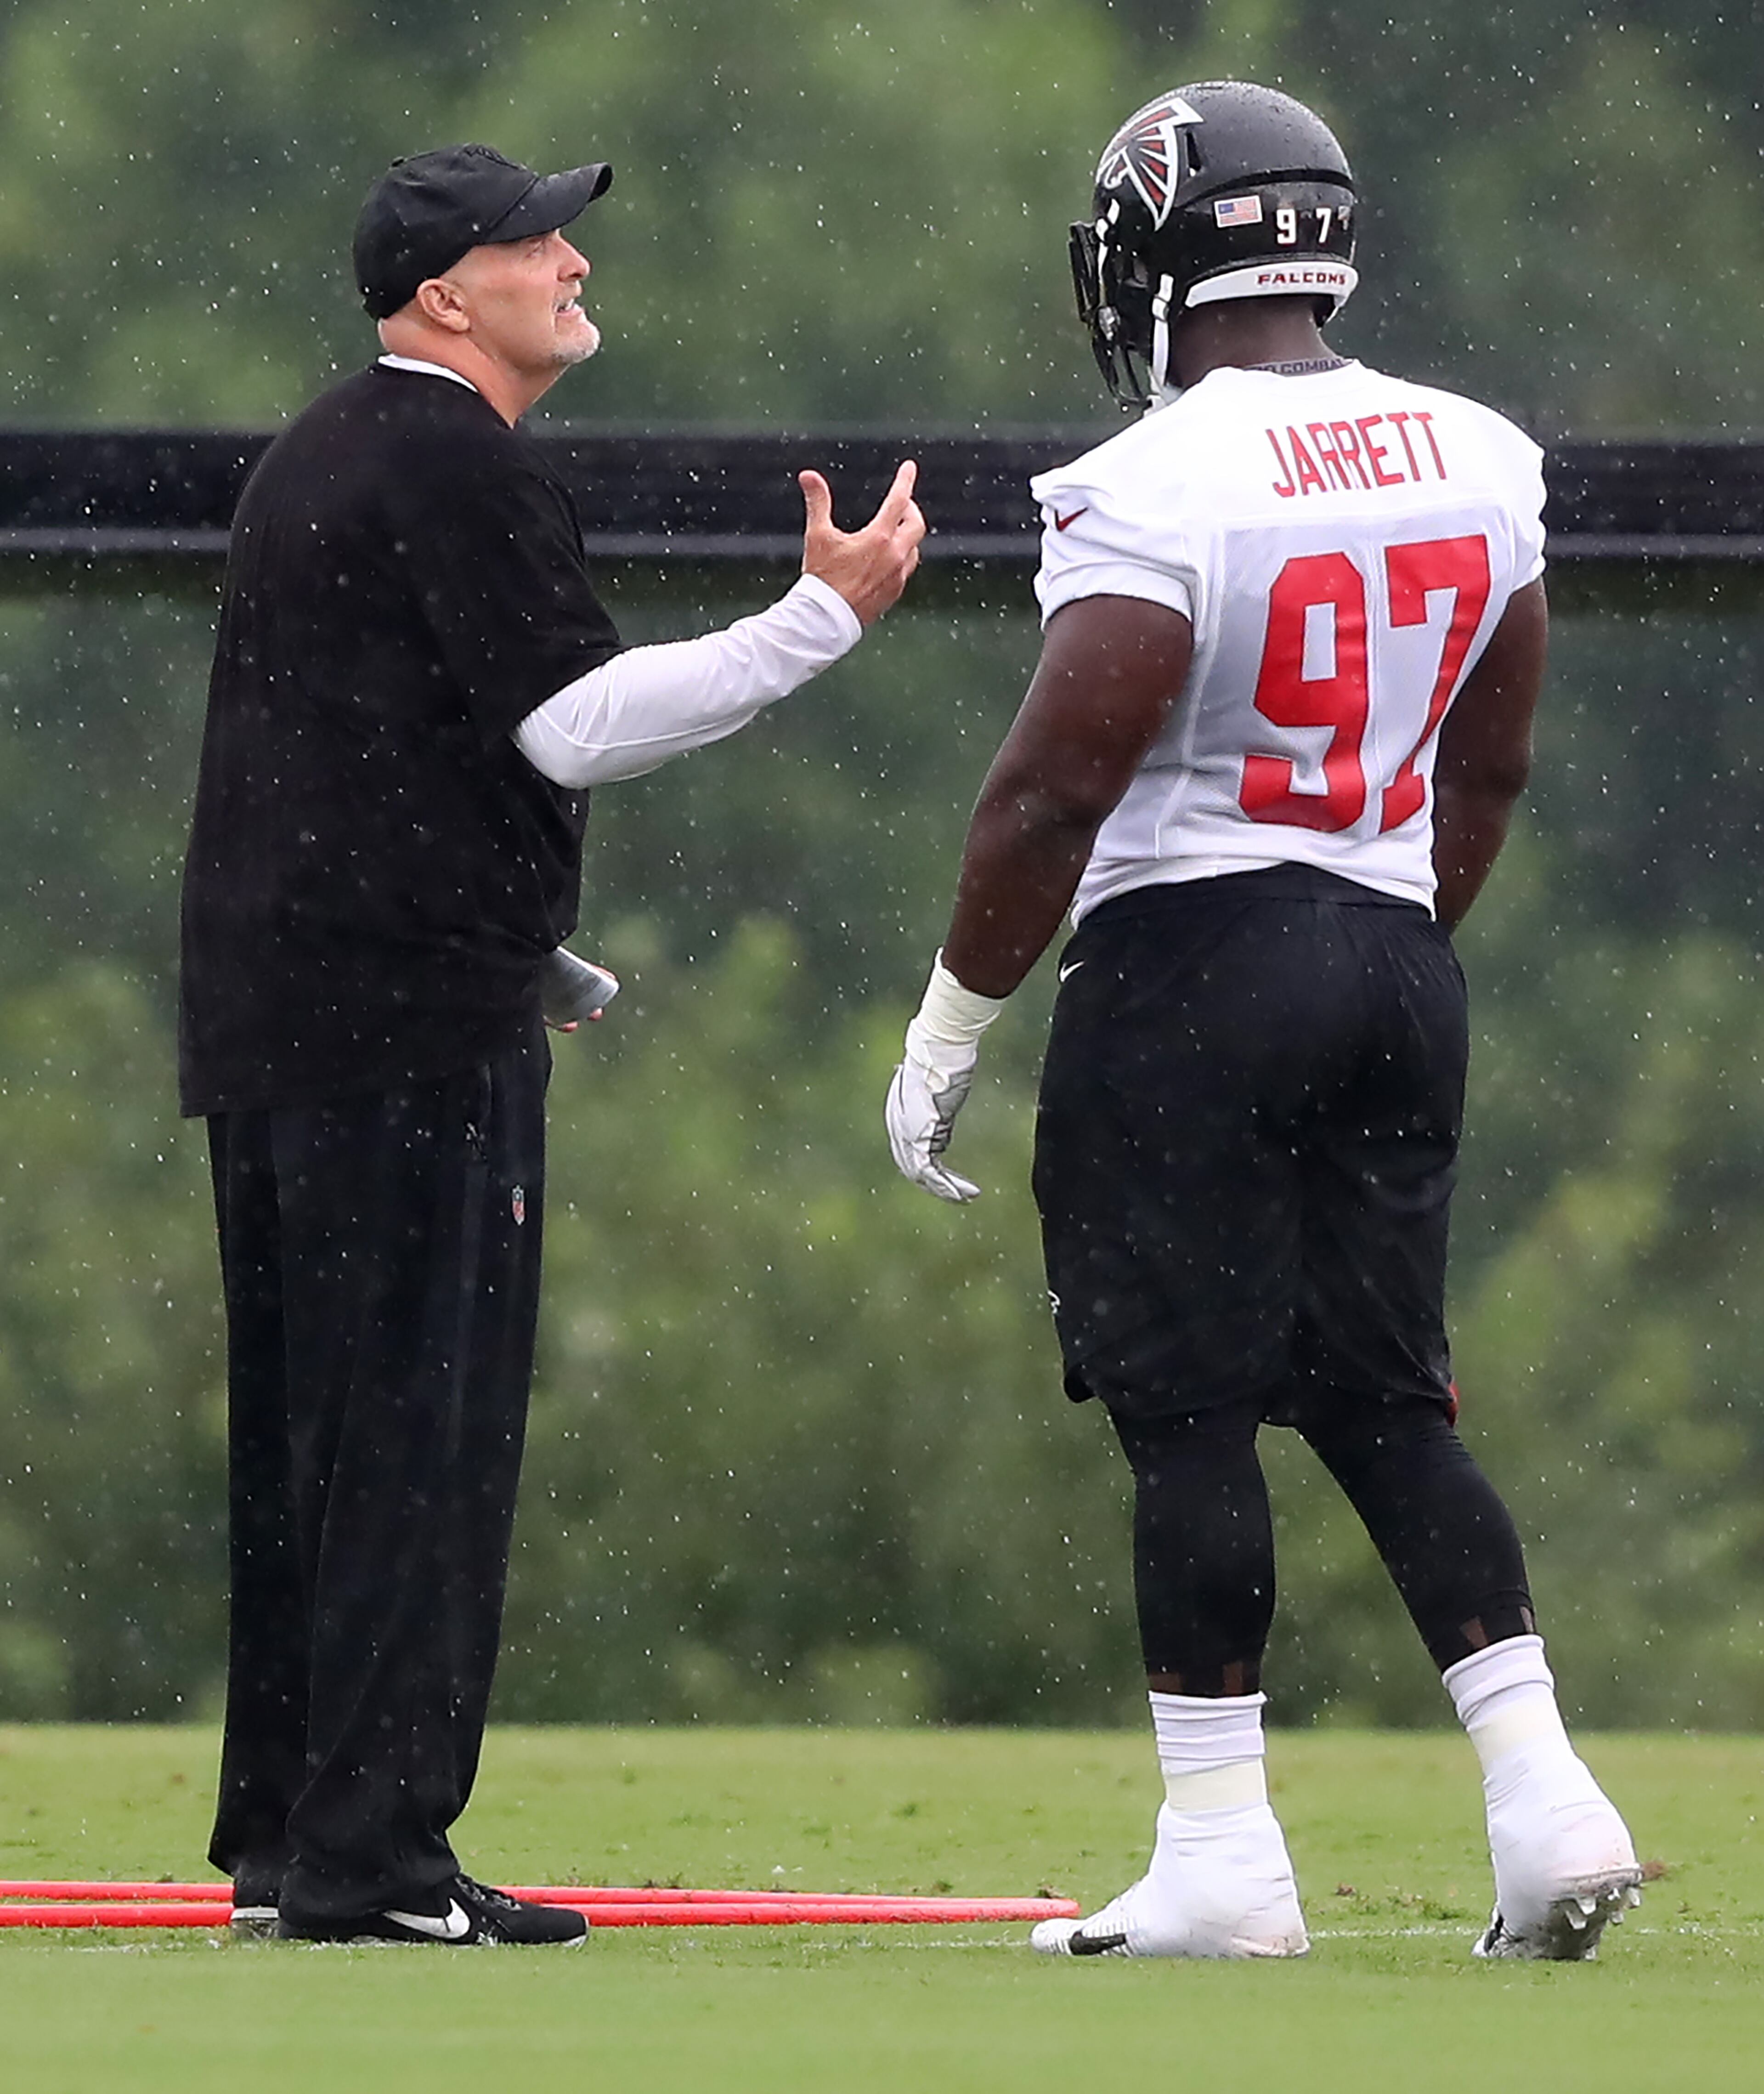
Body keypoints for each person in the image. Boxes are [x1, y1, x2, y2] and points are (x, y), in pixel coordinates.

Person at [884, 82, 1639, 1962]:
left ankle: (1223, 1850)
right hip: (1396, 955)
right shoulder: (1478, 449)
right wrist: (1371, 933)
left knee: (1192, 1416)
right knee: (1391, 1400)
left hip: (1195, 966)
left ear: (1159, 248)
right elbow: (1497, 757)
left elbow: (1057, 784)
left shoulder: (1153, 482)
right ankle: (1549, 1803)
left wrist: (950, 1023)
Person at [181, 141, 923, 1947]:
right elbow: (576, 727)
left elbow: (355, 776)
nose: (571, 261)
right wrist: (818, 621)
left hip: (286, 1014)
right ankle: (372, 1864)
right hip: (402, 1035)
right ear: (449, 292)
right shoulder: (454, 460)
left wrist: (535, 947)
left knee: (317, 1441)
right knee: (417, 1438)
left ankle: (294, 1846)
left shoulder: (319, 450)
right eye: (535, 242)